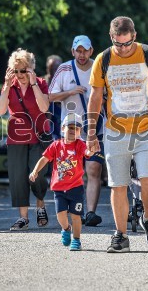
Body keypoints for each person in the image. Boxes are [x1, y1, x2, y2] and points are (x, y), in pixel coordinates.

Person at [87, 16, 148, 253]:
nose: (123, 49)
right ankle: (120, 235)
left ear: (134, 36)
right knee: (118, 185)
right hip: (115, 132)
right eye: (119, 44)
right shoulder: (102, 59)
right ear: (111, 38)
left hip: (147, 129)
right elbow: (95, 97)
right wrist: (90, 133)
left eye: (127, 43)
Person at [48, 35, 104, 227]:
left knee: (93, 168)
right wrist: (71, 92)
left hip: (95, 126)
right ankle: (71, 210)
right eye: (78, 50)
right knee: (72, 170)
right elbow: (50, 96)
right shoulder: (64, 69)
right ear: (73, 51)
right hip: (71, 128)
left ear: (91, 51)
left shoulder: (99, 67)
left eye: (85, 50)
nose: (82, 54)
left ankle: (90, 213)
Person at [0, 48, 50, 231]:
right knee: (18, 177)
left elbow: (44, 107)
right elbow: (1, 110)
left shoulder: (41, 83)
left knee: (39, 174)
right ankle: (23, 218)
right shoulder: (10, 85)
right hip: (16, 137)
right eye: (16, 71)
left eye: (24, 70)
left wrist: (34, 84)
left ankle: (40, 204)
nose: (20, 75)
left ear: (31, 69)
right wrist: (6, 85)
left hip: (38, 136)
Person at [29, 113, 94, 251]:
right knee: (60, 215)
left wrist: (91, 150)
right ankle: (66, 228)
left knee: (76, 216)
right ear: (63, 128)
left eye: (76, 128)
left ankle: (76, 240)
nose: (72, 131)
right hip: (59, 188)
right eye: (69, 127)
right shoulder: (56, 145)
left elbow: (87, 152)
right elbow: (44, 159)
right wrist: (35, 171)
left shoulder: (79, 145)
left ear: (79, 132)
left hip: (76, 187)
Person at [43, 55, 63, 140]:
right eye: (52, 68)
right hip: (45, 119)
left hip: (60, 120)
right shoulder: (42, 83)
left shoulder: (65, 83)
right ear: (48, 69)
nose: (54, 71)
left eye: (57, 68)